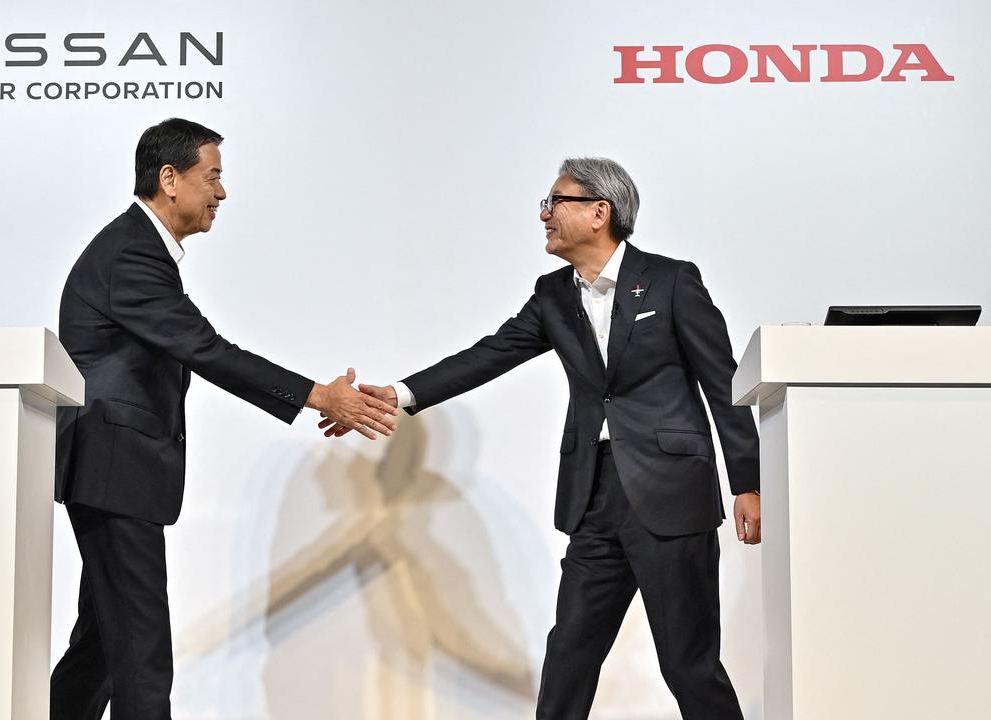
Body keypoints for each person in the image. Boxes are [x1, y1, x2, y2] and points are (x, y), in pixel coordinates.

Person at [323, 157, 760, 719]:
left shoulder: (673, 280)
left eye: (556, 202)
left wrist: (746, 482)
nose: (545, 214)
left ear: (600, 212)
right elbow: (491, 354)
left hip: (674, 492)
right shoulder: (553, 294)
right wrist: (404, 394)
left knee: (687, 662)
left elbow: (721, 384)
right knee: (570, 653)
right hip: (594, 495)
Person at [50, 117, 398, 720]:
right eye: (212, 176)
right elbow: (205, 349)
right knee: (141, 651)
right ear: (169, 179)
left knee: (105, 644)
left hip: (114, 472)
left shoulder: (139, 249)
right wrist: (317, 396)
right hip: (114, 469)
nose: (222, 192)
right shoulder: (133, 254)